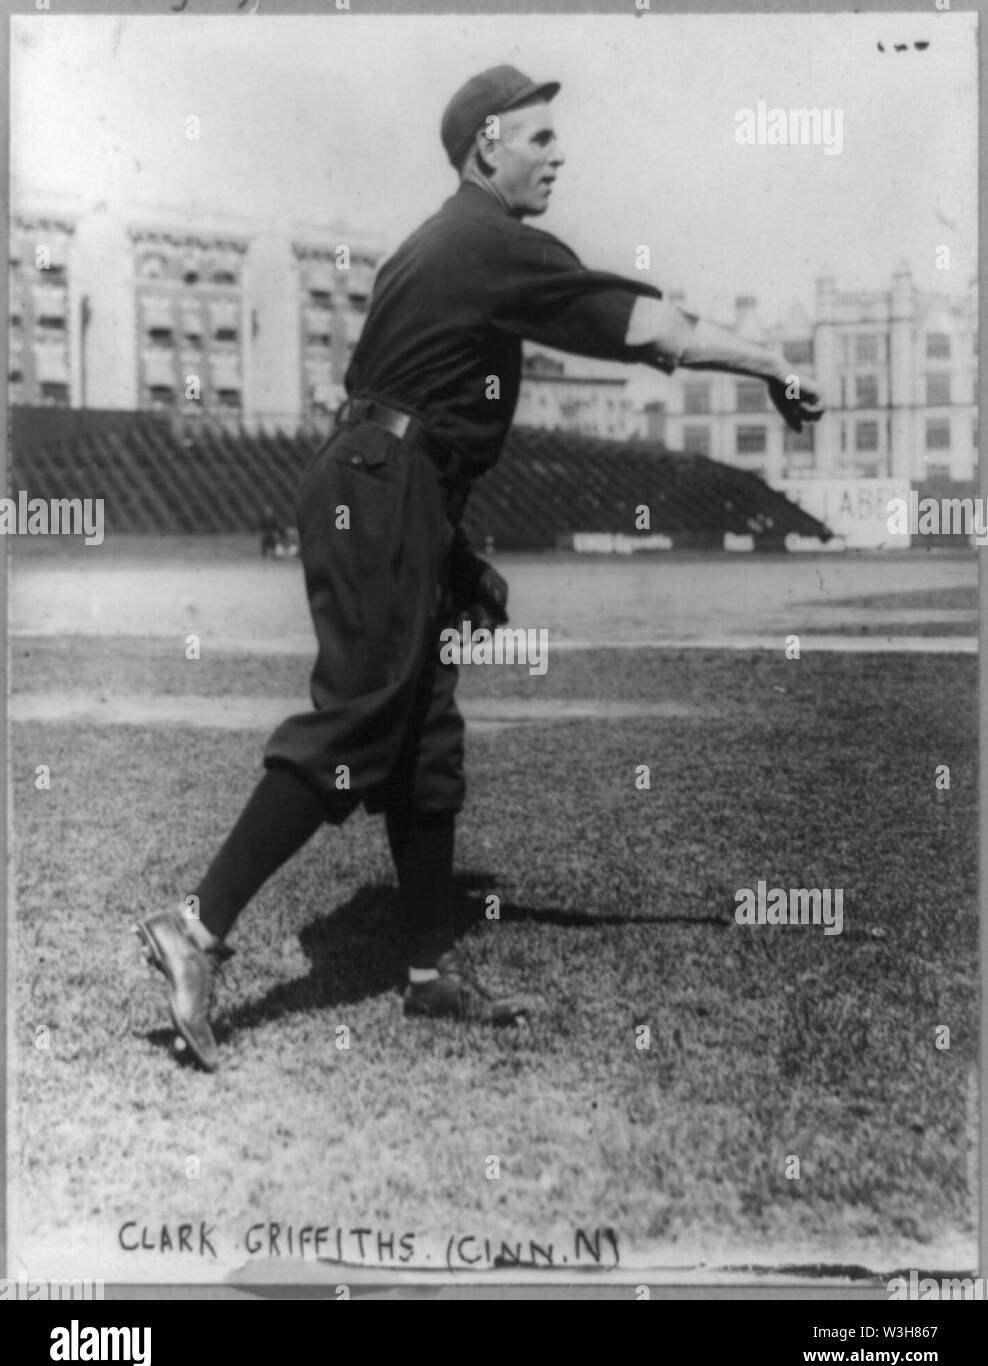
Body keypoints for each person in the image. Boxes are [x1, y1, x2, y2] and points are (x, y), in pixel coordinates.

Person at [137, 64, 824, 1071]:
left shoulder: (435, 246)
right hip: (385, 482)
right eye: (538, 139)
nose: (559, 154)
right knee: (364, 718)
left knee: (422, 734)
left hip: (386, 479)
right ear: (484, 147)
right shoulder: (488, 243)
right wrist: (774, 361)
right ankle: (195, 929)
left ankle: (425, 974)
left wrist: (444, 548)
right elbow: (657, 333)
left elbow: (402, 396)